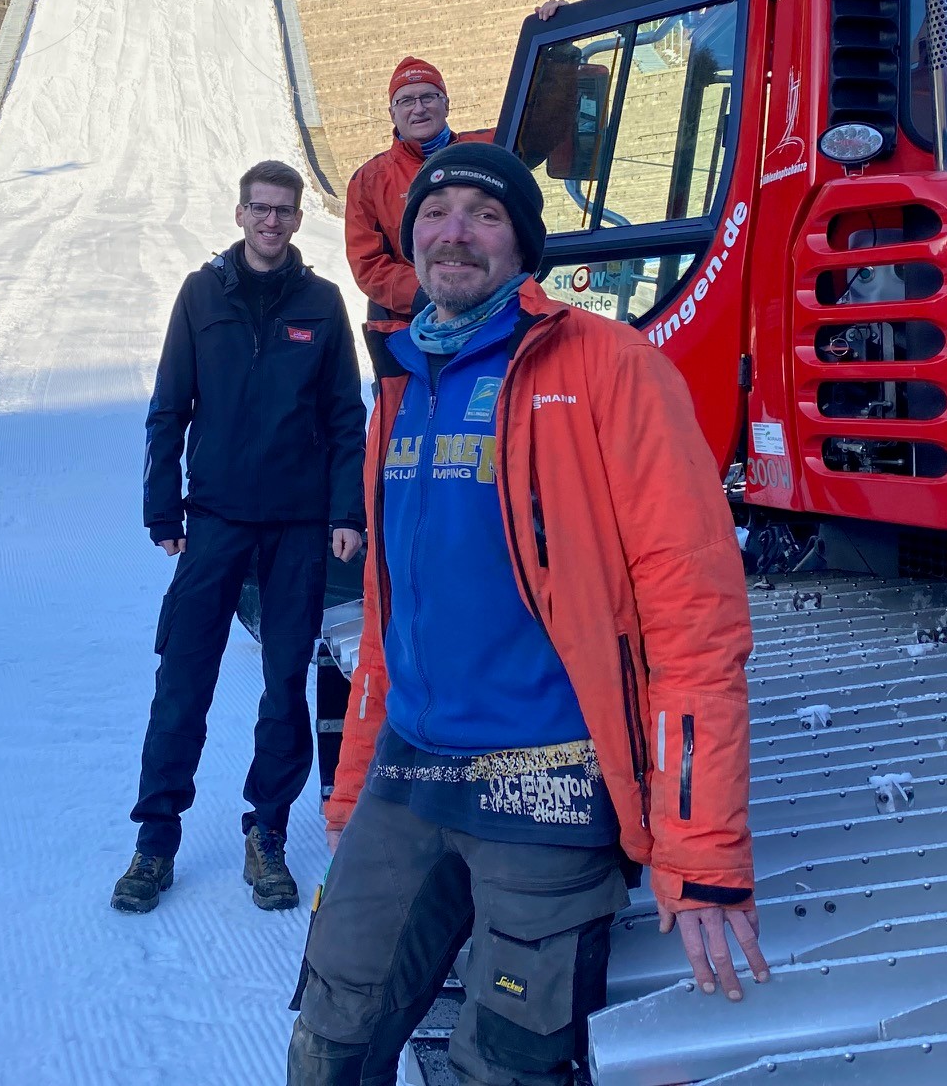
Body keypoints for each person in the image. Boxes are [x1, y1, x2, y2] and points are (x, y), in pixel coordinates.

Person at [288, 142, 767, 1085]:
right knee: (328, 1036)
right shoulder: (400, 385)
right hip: (408, 775)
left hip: (548, 786)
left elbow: (694, 617)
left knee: (504, 1068)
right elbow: (390, 618)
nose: (453, 232)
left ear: (523, 245)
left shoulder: (609, 368)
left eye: (483, 214)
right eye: (434, 213)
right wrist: (348, 792)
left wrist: (704, 850)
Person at [114, 159, 369, 916]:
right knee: (182, 682)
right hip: (216, 520)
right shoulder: (201, 295)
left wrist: (345, 514)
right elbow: (170, 406)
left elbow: (345, 421)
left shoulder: (321, 304)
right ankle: (155, 842)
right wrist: (164, 508)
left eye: (284, 211)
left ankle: (268, 834)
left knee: (285, 685)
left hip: (294, 528)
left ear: (296, 220)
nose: (271, 221)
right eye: (259, 208)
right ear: (239, 214)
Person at [343, 57, 491, 329]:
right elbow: (368, 264)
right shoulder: (370, 180)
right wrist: (437, 293)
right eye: (407, 101)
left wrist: (557, 51)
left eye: (428, 97)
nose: (419, 108)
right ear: (392, 113)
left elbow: (540, 131)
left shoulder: (486, 148)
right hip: (417, 325)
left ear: (446, 103)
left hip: (493, 311)